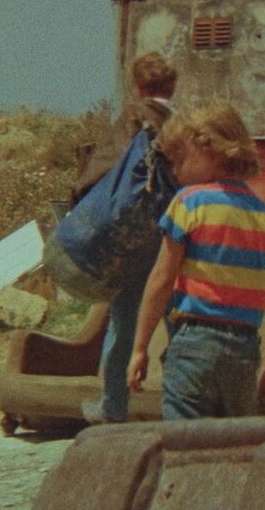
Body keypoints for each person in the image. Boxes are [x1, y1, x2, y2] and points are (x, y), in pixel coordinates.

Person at [127, 103, 265, 419]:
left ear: (213, 153)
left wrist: (140, 348)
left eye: (180, 159)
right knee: (235, 440)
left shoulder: (188, 204)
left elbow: (161, 280)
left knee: (183, 439)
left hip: (195, 343)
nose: (175, 171)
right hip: (244, 351)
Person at [88, 51, 176, 423]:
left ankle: (113, 408)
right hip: (174, 238)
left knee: (123, 324)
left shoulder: (132, 118)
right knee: (178, 325)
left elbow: (100, 172)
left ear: (138, 87)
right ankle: (180, 407)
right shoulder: (182, 124)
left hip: (134, 241)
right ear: (172, 87)